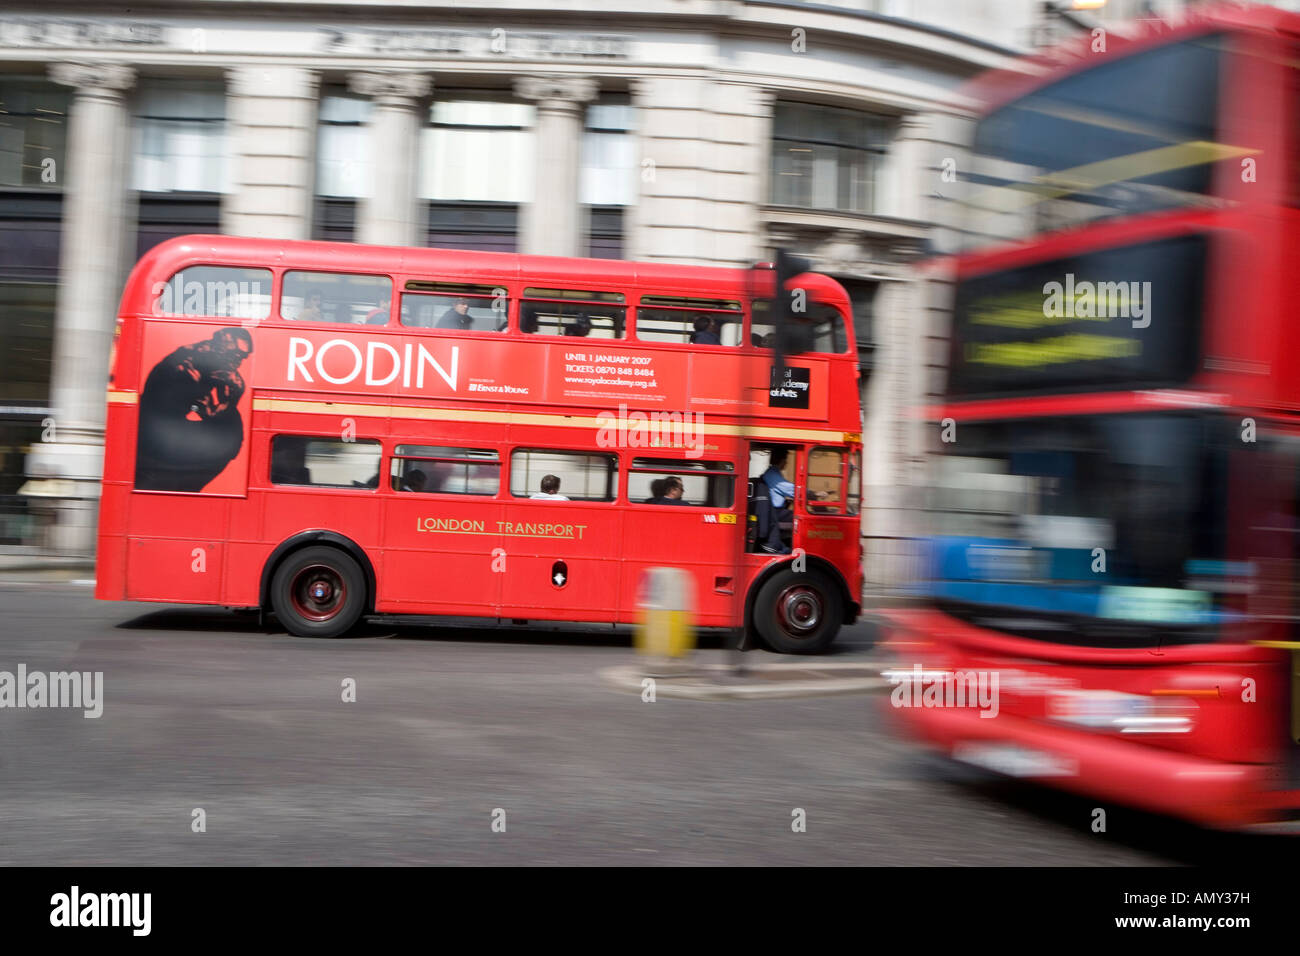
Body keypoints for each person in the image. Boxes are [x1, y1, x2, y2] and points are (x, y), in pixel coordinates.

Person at [760, 449, 797, 554]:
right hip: (776, 513)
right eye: (786, 460)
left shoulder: (774, 473)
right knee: (801, 519)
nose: (787, 463)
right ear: (782, 461)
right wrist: (811, 493)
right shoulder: (772, 474)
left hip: (777, 511)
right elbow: (791, 489)